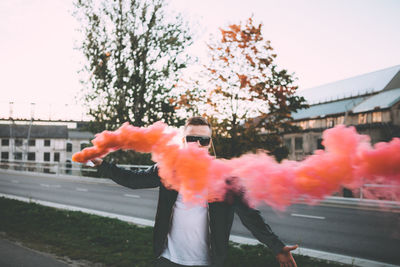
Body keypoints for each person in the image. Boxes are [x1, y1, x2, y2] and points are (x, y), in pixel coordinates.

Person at [90, 116, 297, 267]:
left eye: (204, 140)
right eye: (191, 139)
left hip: (208, 261)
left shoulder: (225, 177)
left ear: (210, 144)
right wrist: (102, 165)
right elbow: (134, 180)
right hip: (168, 258)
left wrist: (277, 247)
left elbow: (251, 216)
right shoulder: (169, 169)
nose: (197, 144)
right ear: (183, 141)